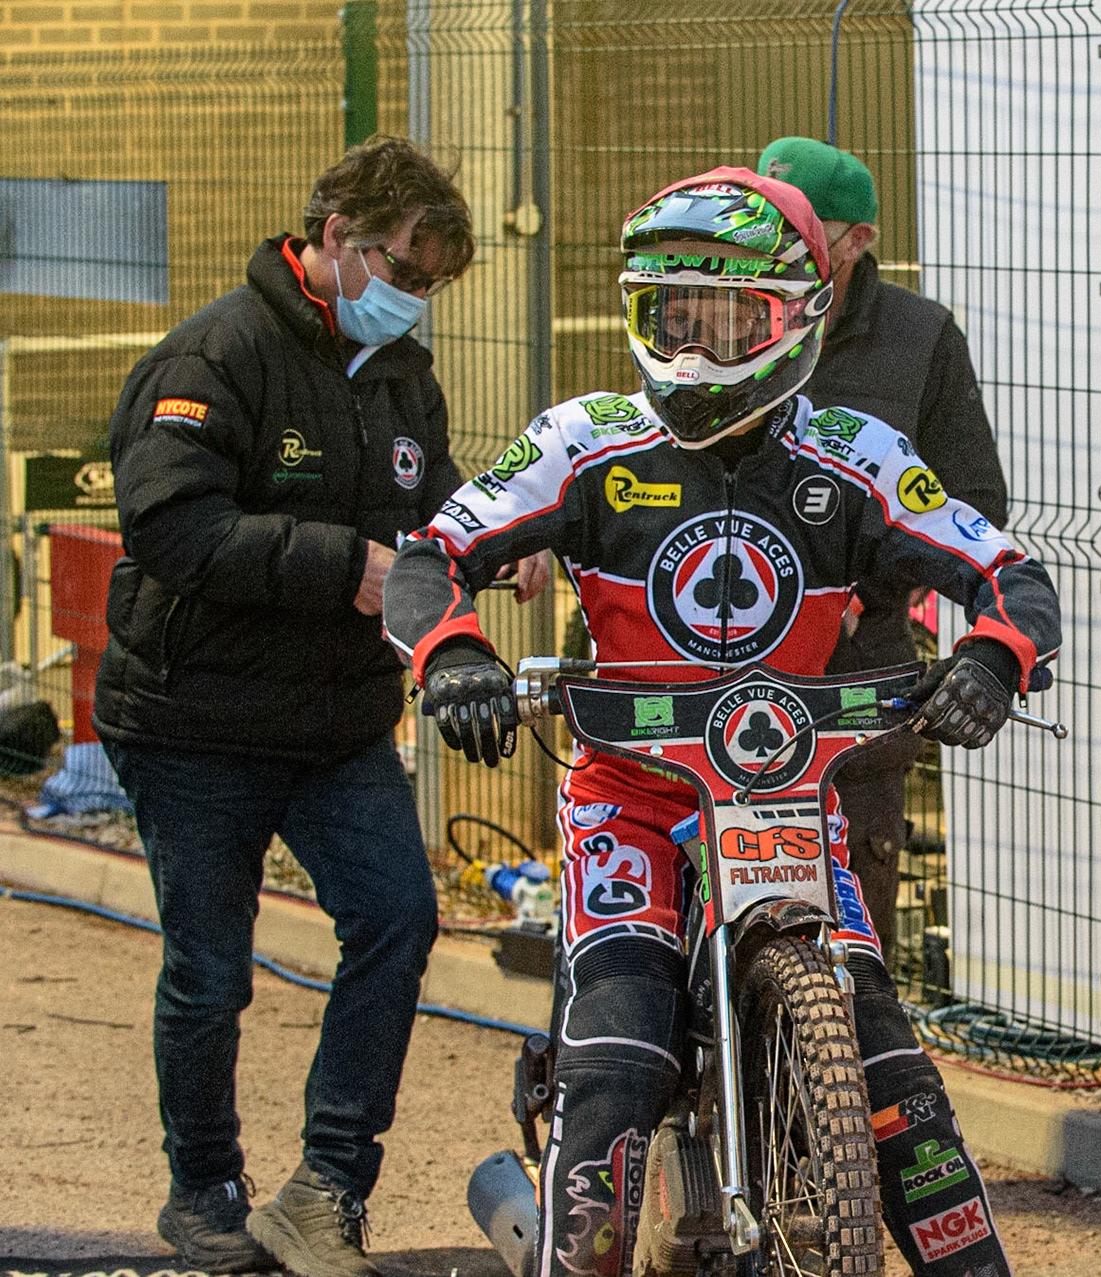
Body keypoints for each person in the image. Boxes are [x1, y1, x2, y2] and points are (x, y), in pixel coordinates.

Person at [384, 169, 1057, 1277]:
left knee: (895, 1078)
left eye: (728, 316)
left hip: (790, 798)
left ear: (797, 314)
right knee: (616, 1053)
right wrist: (455, 652)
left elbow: (1010, 572)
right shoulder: (582, 438)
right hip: (631, 798)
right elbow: (432, 555)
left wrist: (991, 654)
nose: (694, 349)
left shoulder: (858, 450)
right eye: (671, 315)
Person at [96, 136, 532, 1277]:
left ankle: (327, 1187)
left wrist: (505, 534)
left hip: (335, 725)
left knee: (395, 919)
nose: (413, 298)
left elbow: (426, 492)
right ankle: (205, 1190)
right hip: (191, 719)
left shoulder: (398, 375)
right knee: (210, 966)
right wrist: (349, 566)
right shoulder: (213, 357)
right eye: (403, 269)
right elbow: (171, 527)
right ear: (335, 240)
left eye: (432, 285)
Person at [756, 136, 1011, 962]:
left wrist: (861, 587)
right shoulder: (727, 307)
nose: (773, 246)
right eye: (763, 221)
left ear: (858, 238)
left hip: (858, 667)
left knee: (849, 937)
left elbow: (972, 502)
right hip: (729, 650)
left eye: (801, 231)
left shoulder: (921, 336)